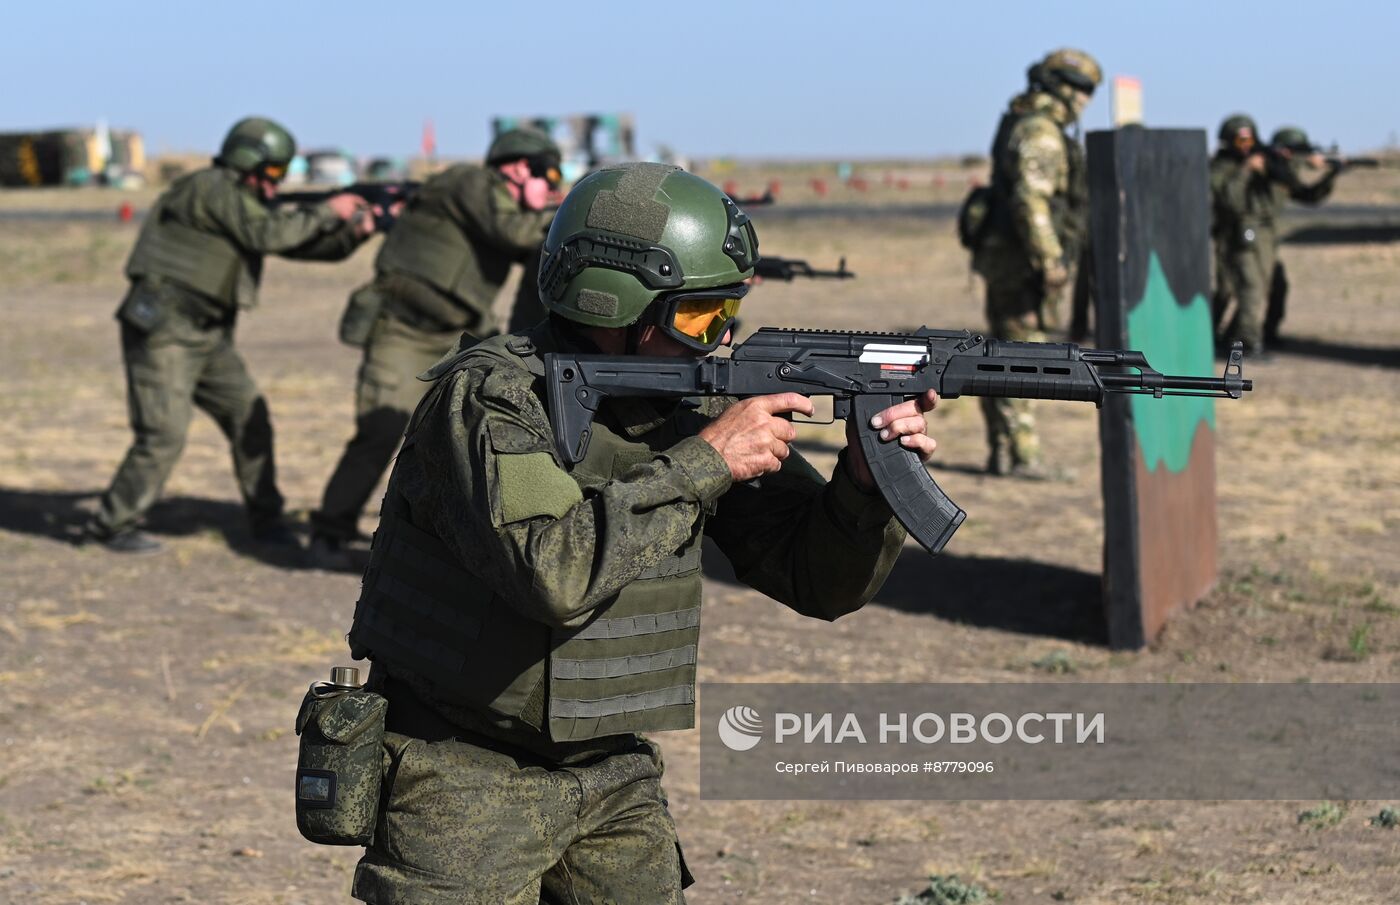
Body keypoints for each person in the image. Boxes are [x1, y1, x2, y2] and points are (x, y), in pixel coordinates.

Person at [340, 163, 939, 904]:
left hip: (612, 771)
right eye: (698, 318)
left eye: (727, 315)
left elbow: (816, 581)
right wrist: (704, 462)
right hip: (461, 772)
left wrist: (862, 485)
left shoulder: (680, 410)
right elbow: (552, 575)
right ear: (613, 300)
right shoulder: (492, 399)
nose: (717, 340)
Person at [85, 117, 376, 554]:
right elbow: (269, 233)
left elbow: (298, 244)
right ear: (248, 161)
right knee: (162, 434)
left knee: (250, 419)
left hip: (207, 335)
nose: (277, 184)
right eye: (274, 172)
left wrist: (354, 233)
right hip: (166, 331)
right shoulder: (211, 188)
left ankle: (266, 520)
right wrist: (326, 210)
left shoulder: (242, 202)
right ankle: (110, 525)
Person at [307, 128, 560, 568]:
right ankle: (329, 531)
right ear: (517, 166)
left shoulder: (507, 206)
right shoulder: (471, 182)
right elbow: (516, 232)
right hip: (404, 331)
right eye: (544, 173)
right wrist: (561, 208)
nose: (549, 184)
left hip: (456, 338)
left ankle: (435, 536)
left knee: (459, 438)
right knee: (381, 428)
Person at [971, 48, 1101, 478]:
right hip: (1022, 264)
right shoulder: (1042, 132)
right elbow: (1032, 201)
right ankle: (1023, 455)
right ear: (1057, 87)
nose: (1084, 98)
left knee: (1004, 354)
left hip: (1009, 259)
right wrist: (1049, 261)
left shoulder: (1027, 123)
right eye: (1078, 87)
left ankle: (1003, 452)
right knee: (1019, 358)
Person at [1210, 119, 1340, 356]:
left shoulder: (1275, 168)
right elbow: (1231, 202)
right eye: (1241, 140)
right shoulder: (1224, 168)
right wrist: (1247, 171)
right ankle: (1240, 340)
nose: (1246, 146)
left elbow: (1305, 194)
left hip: (1265, 236)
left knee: (1269, 286)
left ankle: (1245, 335)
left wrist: (1329, 174)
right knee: (1240, 289)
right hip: (1239, 235)